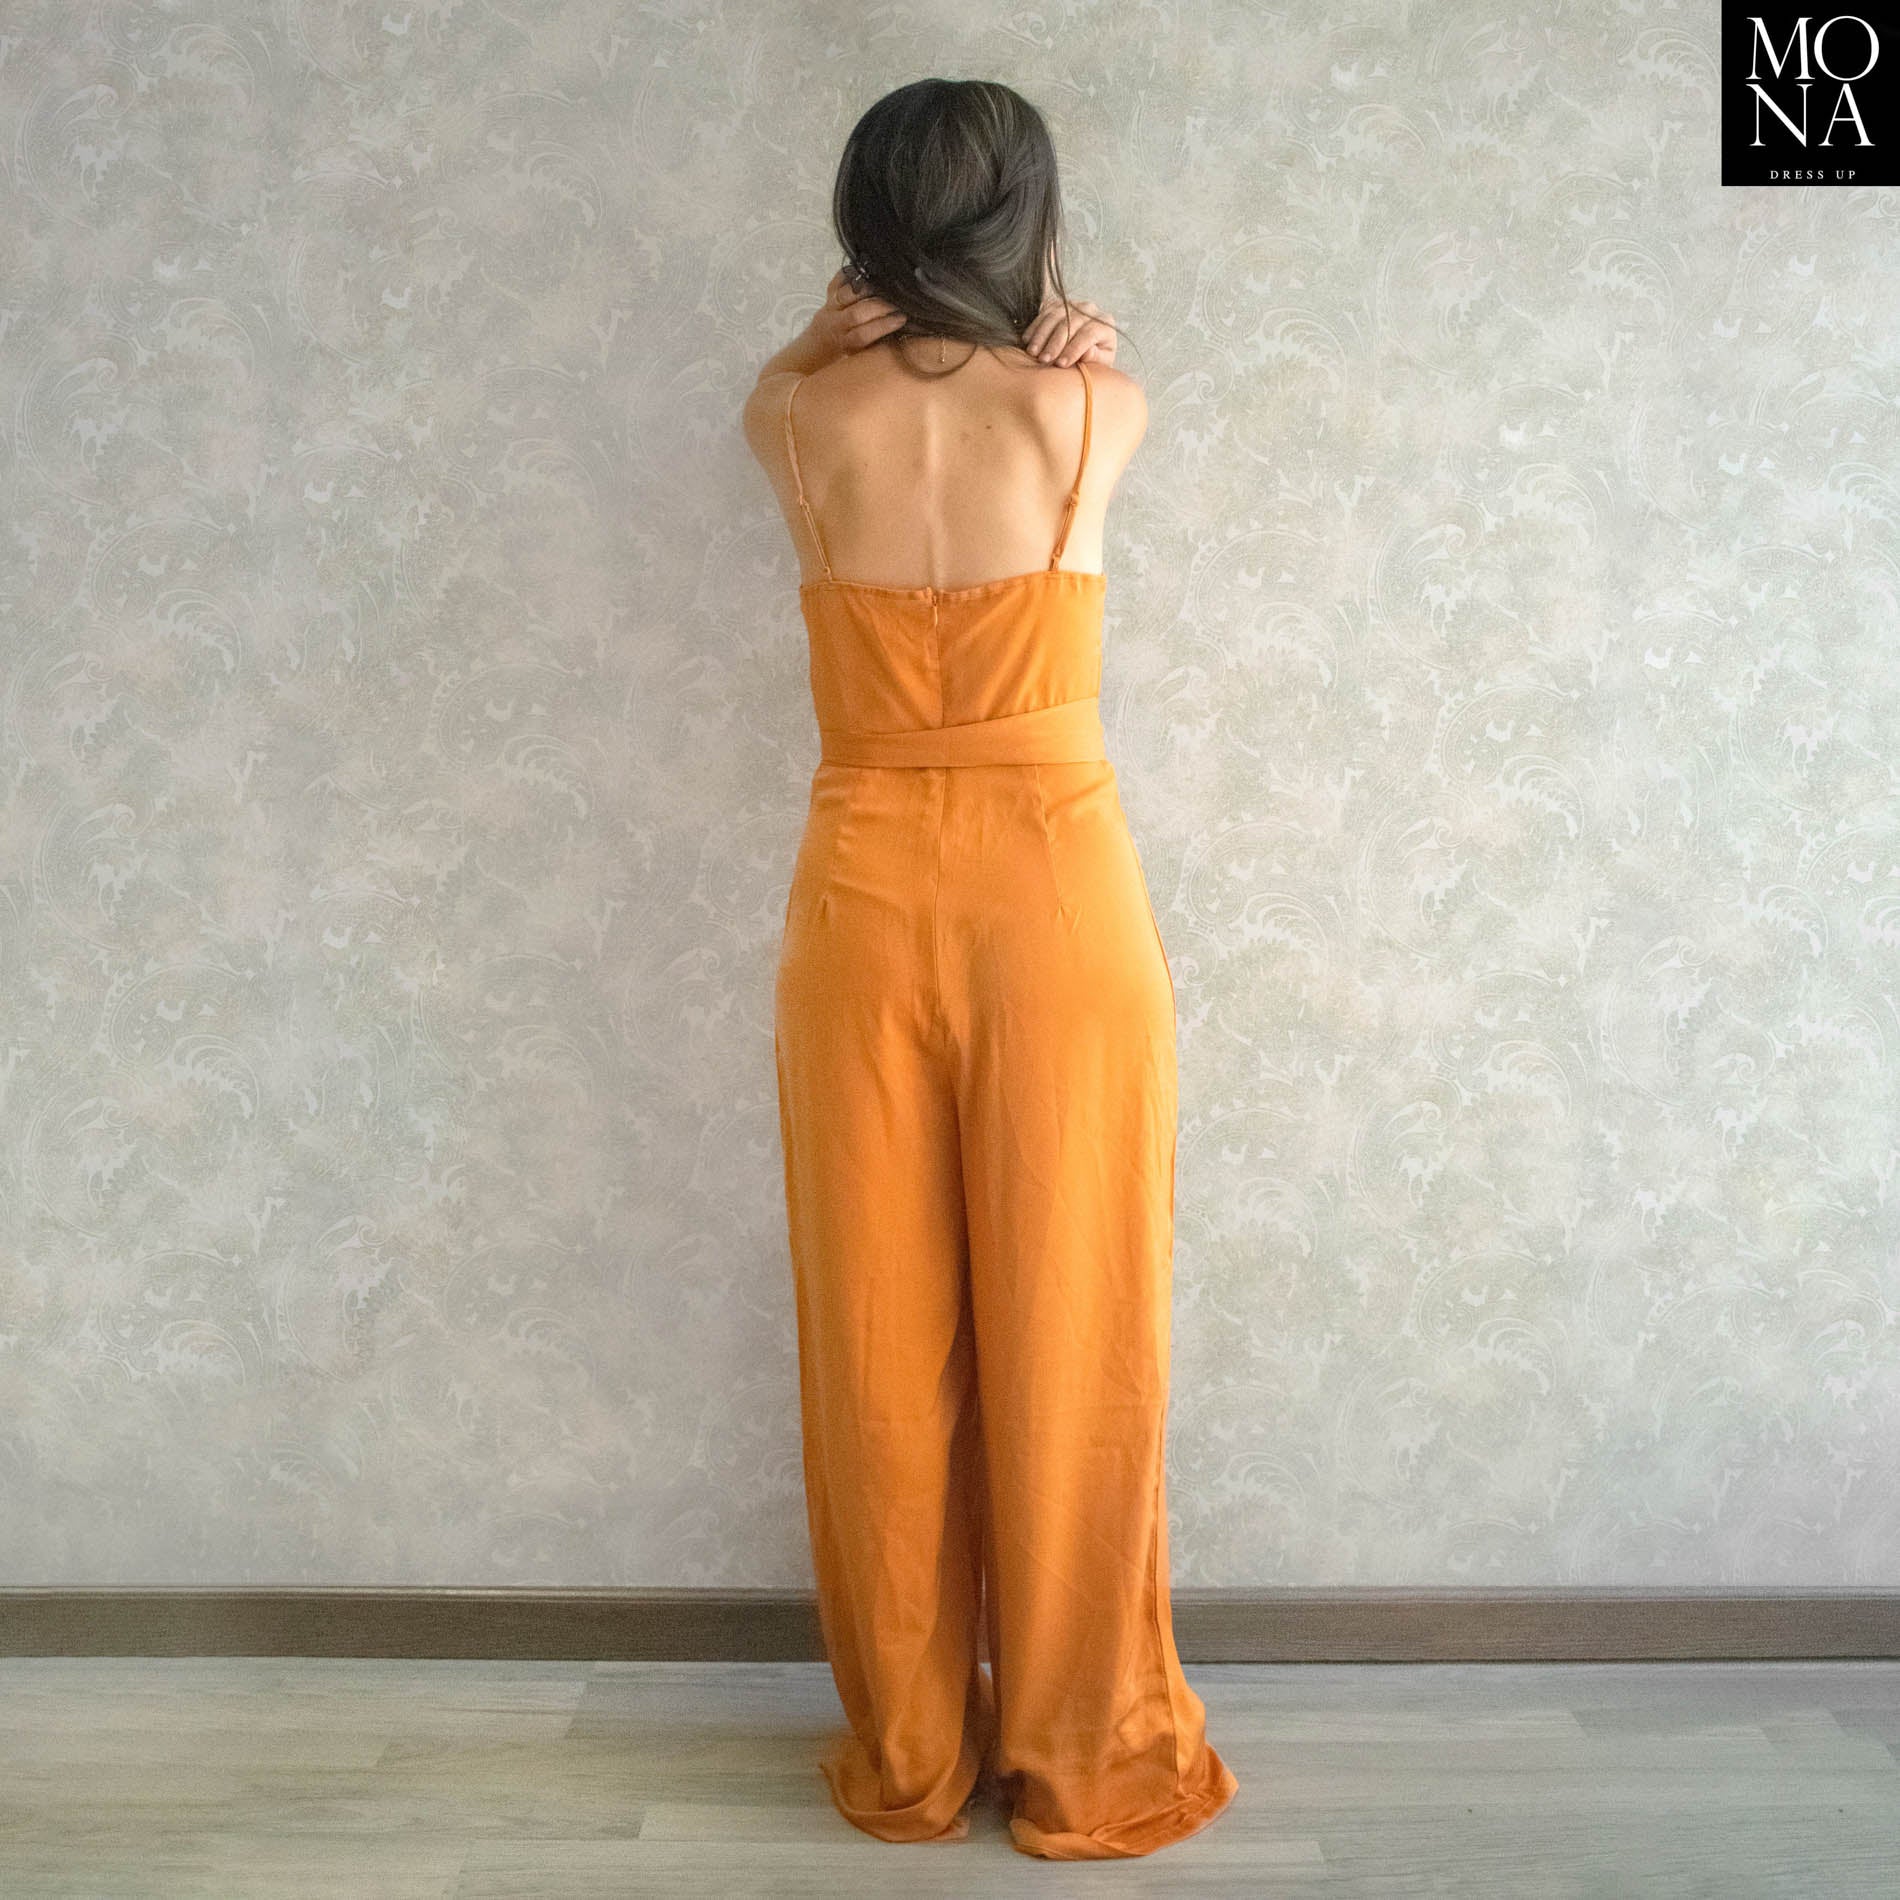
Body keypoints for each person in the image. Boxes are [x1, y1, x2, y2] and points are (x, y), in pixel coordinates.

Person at [740, 77, 1238, 1861]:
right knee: (1075, 1320)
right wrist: (1061, 340)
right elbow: (1065, 382)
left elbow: (781, 392)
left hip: (862, 903)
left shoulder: (793, 418)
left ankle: (910, 1755)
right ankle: (1078, 1748)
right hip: (1058, 901)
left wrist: (813, 340)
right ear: (1027, 223)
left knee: (878, 1338)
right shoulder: (1096, 410)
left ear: (864, 222)